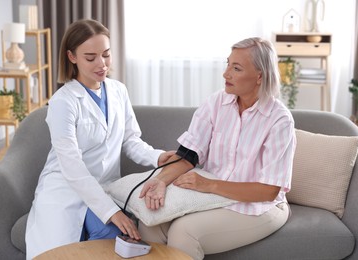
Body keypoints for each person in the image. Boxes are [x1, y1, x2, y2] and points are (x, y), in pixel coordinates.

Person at [25, 19, 174, 259]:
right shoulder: (64, 102)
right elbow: (72, 166)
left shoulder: (118, 90)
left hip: (105, 188)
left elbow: (131, 140)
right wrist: (111, 212)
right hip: (66, 189)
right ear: (72, 57)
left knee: (119, 247)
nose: (102, 64)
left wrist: (158, 156)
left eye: (106, 54)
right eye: (91, 57)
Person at [138, 37, 297, 260]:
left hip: (261, 206)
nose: (226, 74)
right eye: (228, 64)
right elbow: (187, 156)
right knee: (150, 222)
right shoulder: (216, 103)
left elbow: (268, 190)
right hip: (212, 197)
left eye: (236, 68)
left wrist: (208, 184)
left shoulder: (279, 120)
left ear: (259, 75)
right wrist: (160, 182)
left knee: (184, 232)